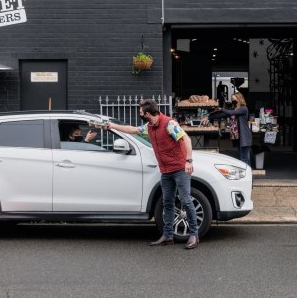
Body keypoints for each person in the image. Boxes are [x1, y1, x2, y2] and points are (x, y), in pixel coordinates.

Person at [106, 99, 199, 250]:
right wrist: (112, 126)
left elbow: (186, 139)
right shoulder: (149, 127)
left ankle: (194, 234)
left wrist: (188, 160)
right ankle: (168, 235)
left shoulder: (169, 124)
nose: (140, 114)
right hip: (165, 171)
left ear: (147, 114)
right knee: (167, 202)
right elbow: (133, 129)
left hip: (180, 169)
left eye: (141, 113)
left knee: (185, 200)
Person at [202, 92, 252, 167]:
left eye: (234, 99)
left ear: (239, 99)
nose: (232, 101)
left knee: (245, 158)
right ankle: (245, 174)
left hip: (244, 137)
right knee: (241, 158)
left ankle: (248, 174)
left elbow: (231, 112)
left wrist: (222, 109)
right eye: (232, 99)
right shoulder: (233, 109)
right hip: (237, 136)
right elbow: (222, 114)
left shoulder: (244, 108)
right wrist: (209, 117)